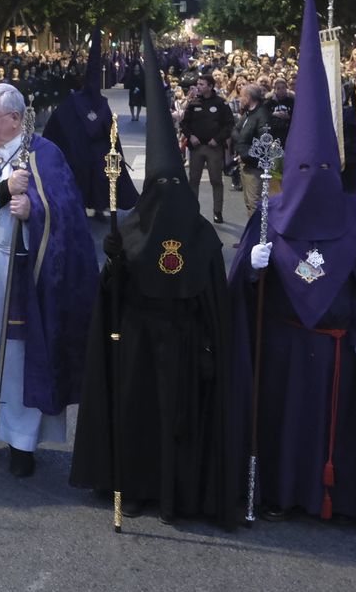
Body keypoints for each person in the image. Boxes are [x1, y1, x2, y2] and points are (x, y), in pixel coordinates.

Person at [235, 0, 356, 525]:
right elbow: (238, 291)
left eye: (322, 172)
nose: (311, 184)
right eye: (303, 172)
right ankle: (280, 493)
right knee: (283, 424)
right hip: (282, 348)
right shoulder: (270, 214)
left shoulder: (354, 218)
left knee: (334, 429)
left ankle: (341, 497)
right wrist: (249, 267)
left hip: (337, 354)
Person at [70, 33, 249, 526]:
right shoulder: (129, 230)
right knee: (138, 420)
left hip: (186, 349)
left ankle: (180, 493)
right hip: (136, 346)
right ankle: (138, 486)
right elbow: (112, 295)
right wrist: (112, 263)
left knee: (178, 423)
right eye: (162, 188)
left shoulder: (203, 240)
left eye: (176, 189)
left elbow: (215, 300)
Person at [0, 83, 96, 479]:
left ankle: (23, 442)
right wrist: (2, 192)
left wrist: (35, 213)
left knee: (20, 360)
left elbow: (68, 216)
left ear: (14, 119)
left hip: (25, 272)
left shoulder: (46, 156)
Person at [43, 31, 138, 217]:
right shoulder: (74, 101)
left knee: (101, 179)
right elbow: (60, 123)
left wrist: (114, 150)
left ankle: (100, 207)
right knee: (79, 176)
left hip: (98, 150)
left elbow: (111, 131)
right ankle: (81, 206)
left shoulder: (101, 104)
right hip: (80, 150)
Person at [179, 73, 233, 223]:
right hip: (197, 147)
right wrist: (190, 136)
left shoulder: (221, 104)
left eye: (202, 84)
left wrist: (218, 139)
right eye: (198, 84)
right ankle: (192, 210)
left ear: (210, 86)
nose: (199, 87)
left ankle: (217, 211)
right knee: (193, 180)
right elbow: (184, 124)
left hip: (213, 147)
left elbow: (229, 125)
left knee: (216, 180)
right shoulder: (194, 103)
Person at [232, 83, 278, 216]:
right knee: (249, 204)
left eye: (241, 97)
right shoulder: (248, 114)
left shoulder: (262, 115)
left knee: (255, 205)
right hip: (245, 164)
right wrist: (242, 146)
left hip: (255, 168)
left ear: (248, 97)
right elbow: (235, 130)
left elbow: (264, 143)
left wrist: (245, 154)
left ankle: (259, 236)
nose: (240, 100)